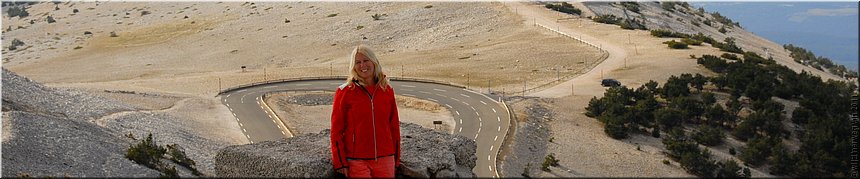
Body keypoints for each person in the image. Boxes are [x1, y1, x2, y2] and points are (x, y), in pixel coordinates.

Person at [331, 45, 401, 178]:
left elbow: (394, 127)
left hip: (385, 157)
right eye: (358, 62)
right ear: (353, 66)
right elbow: (336, 130)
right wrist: (340, 162)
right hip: (356, 160)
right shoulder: (344, 92)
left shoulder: (387, 90)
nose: (362, 65)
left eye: (366, 60)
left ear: (374, 62)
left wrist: (396, 158)